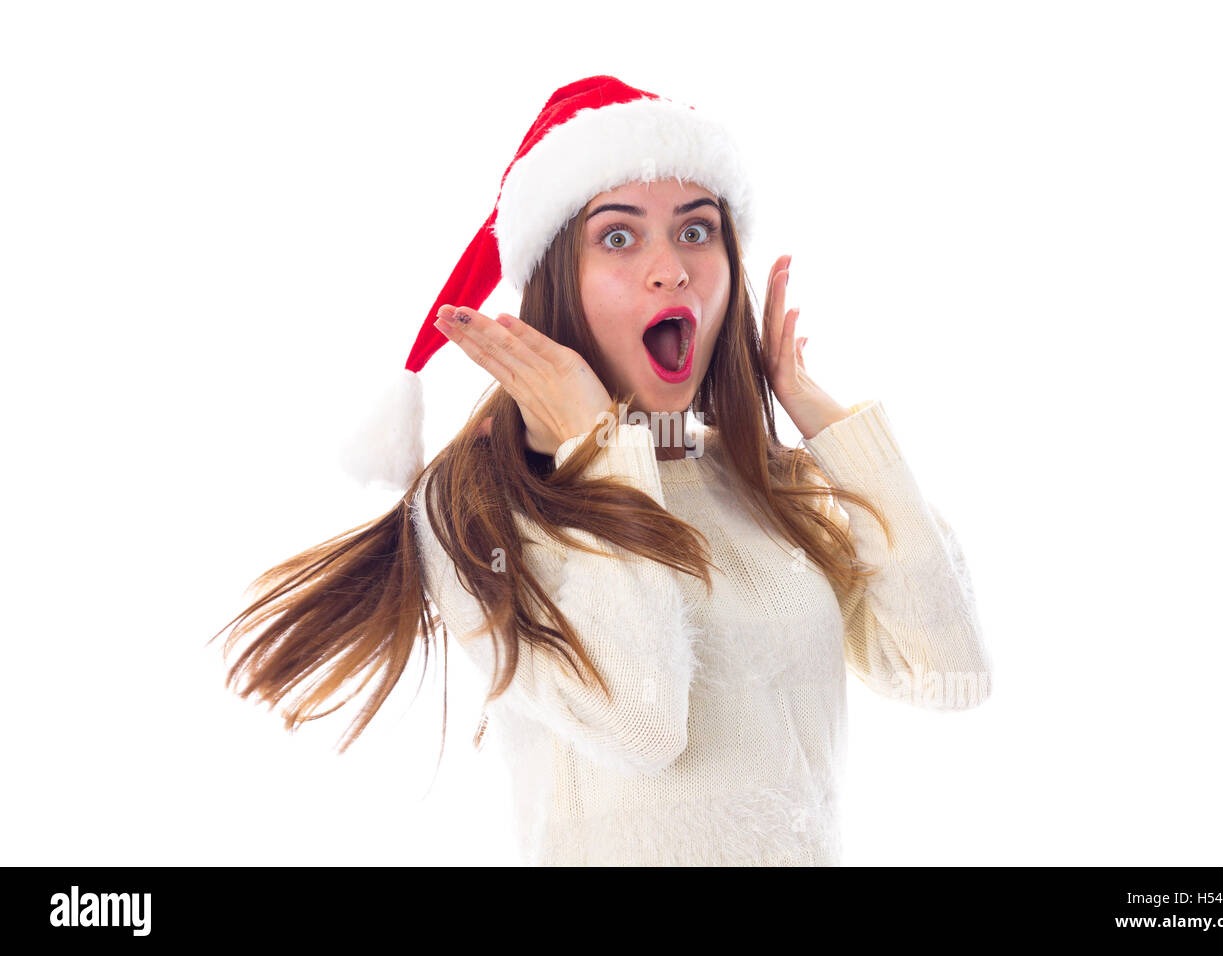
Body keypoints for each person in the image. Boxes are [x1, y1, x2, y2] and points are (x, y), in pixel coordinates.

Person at [212, 75, 993, 867]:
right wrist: (598, 446)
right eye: (618, 238)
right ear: (558, 280)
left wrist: (832, 428)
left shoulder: (773, 488)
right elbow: (642, 724)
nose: (671, 269)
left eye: (697, 232)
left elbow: (950, 672)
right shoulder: (478, 506)